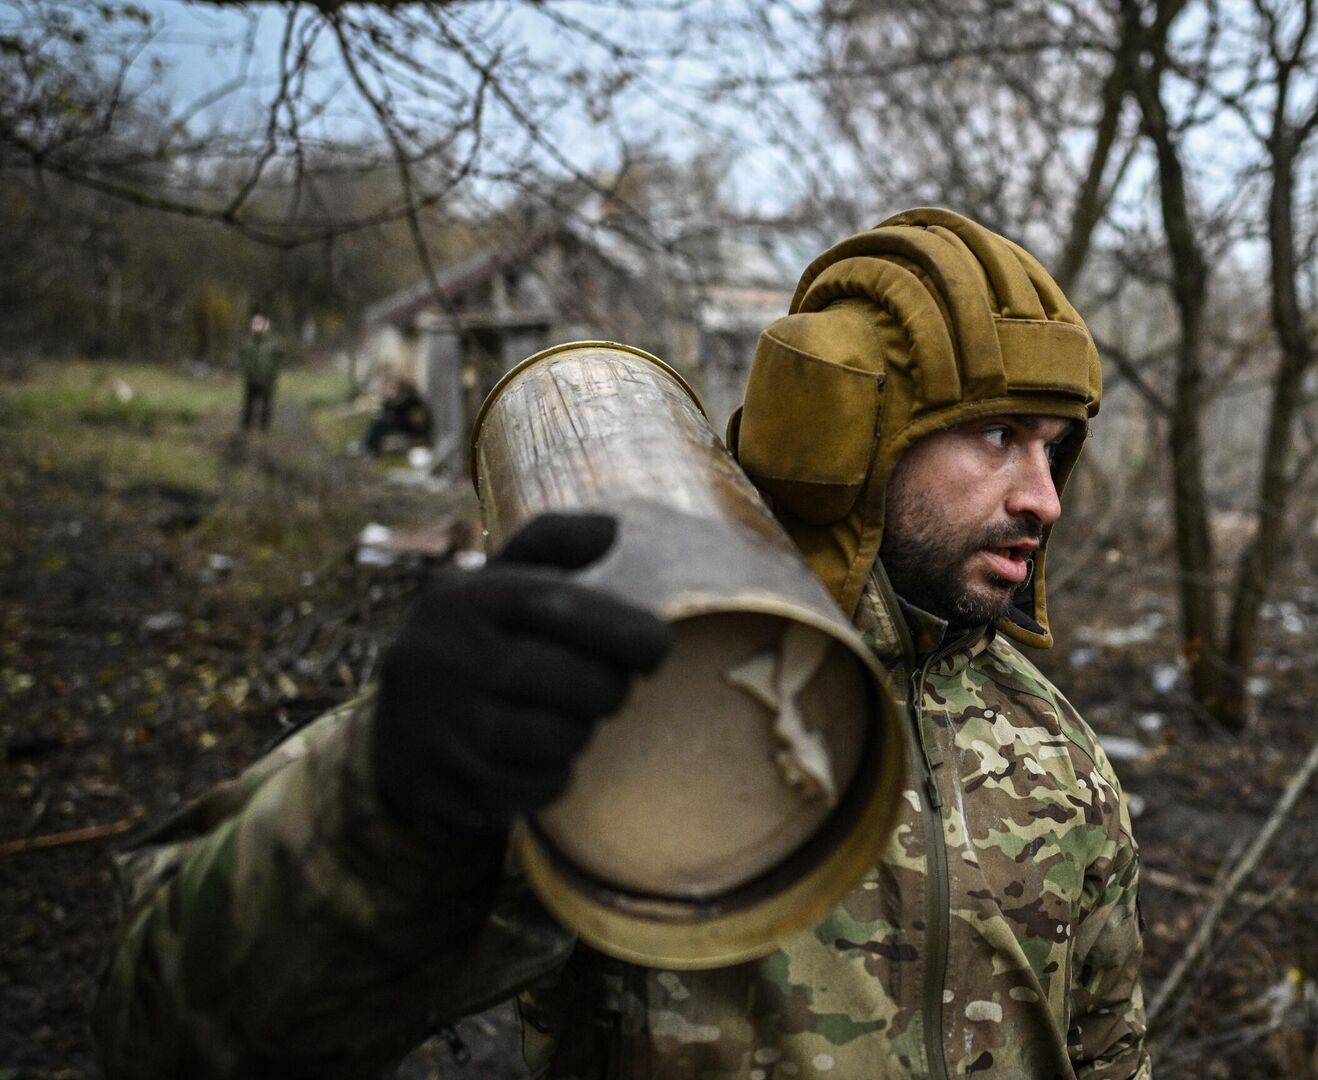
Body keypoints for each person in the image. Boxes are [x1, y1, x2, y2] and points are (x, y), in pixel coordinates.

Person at [92, 209, 1149, 1079]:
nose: (1043, 499)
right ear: (847, 433)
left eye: (1055, 450)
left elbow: (1109, 1053)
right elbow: (173, 1034)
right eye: (999, 436)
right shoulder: (626, 682)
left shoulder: (1055, 754)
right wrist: (383, 803)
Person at [359, 374, 433, 457]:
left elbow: (417, 421)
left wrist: (393, 415)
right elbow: (387, 411)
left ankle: (370, 448)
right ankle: (369, 446)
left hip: (414, 429)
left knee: (381, 424)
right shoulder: (394, 401)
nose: (390, 392)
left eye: (393, 389)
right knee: (378, 422)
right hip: (403, 425)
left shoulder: (411, 401)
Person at [236, 313, 286, 431]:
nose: (256, 326)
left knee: (267, 403)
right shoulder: (247, 341)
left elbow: (280, 357)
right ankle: (246, 426)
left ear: (265, 326)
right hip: (251, 378)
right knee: (248, 403)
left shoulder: (273, 341)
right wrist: (245, 370)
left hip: (267, 378)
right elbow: (242, 357)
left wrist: (273, 371)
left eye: (259, 324)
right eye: (254, 323)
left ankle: (265, 426)